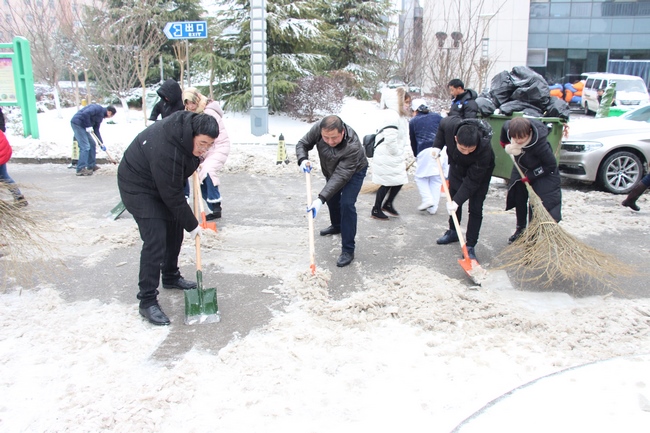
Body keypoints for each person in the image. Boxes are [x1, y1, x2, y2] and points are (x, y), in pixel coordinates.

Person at [117, 111, 219, 326]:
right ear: (191, 134)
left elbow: (175, 182)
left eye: (209, 145)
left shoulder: (184, 133)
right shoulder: (167, 148)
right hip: (138, 185)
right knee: (156, 238)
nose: (204, 149)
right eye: (202, 143)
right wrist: (193, 224)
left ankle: (171, 275)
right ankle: (147, 301)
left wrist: (196, 158)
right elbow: (171, 195)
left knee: (174, 228)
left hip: (160, 180)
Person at [296, 115, 368, 267]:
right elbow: (303, 143)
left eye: (334, 138)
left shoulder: (352, 145)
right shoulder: (319, 128)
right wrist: (302, 159)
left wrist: (320, 199)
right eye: (325, 138)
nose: (329, 142)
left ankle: (348, 249)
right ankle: (337, 226)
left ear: (342, 132)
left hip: (354, 171)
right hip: (331, 170)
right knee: (332, 199)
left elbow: (341, 176)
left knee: (346, 204)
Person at [432, 117, 495, 261]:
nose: (466, 152)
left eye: (470, 149)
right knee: (454, 196)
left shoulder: (485, 151)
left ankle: (470, 245)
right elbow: (441, 126)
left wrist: (458, 201)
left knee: (475, 207)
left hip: (480, 174)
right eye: (462, 148)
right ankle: (453, 231)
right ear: (455, 139)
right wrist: (437, 145)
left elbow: (472, 181)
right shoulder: (450, 126)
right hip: (457, 167)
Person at [500, 117, 562, 243]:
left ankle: (534, 235)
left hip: (542, 170)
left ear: (529, 132)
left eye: (521, 138)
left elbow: (550, 165)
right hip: (522, 166)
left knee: (536, 203)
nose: (517, 141)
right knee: (518, 196)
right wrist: (504, 143)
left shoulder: (541, 145)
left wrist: (532, 176)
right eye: (514, 138)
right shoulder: (508, 127)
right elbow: (504, 130)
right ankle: (520, 229)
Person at [183, 87, 231, 220]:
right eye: (187, 103)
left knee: (207, 171)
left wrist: (204, 150)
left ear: (197, 100)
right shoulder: (188, 114)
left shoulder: (208, 112)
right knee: (194, 173)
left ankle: (216, 208)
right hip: (204, 148)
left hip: (217, 146)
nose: (190, 106)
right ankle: (206, 206)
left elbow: (215, 137)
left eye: (192, 102)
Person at [370, 87, 410, 220]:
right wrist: (397, 152)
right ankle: (376, 208)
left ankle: (387, 204)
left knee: (397, 181)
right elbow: (390, 137)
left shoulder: (396, 115)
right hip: (388, 154)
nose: (408, 105)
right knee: (388, 182)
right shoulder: (392, 115)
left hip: (390, 155)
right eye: (406, 102)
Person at [408, 98, 446, 214]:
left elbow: (413, 140)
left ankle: (427, 199)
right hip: (441, 149)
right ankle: (433, 208)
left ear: (415, 110)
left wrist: (416, 154)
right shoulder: (438, 117)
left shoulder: (414, 121)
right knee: (436, 178)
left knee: (420, 177)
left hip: (425, 149)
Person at [70, 103, 116, 176]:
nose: (109, 117)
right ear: (109, 112)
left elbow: (96, 130)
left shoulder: (100, 118)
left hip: (84, 126)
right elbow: (85, 113)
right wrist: (88, 126)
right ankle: (80, 169)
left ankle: (91, 165)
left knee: (92, 144)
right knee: (85, 146)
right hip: (77, 123)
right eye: (111, 116)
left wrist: (101, 143)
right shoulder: (97, 108)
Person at [0, 129, 27, 207]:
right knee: (4, 177)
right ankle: (19, 198)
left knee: (4, 177)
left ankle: (19, 198)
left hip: (1, 153)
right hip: (3, 151)